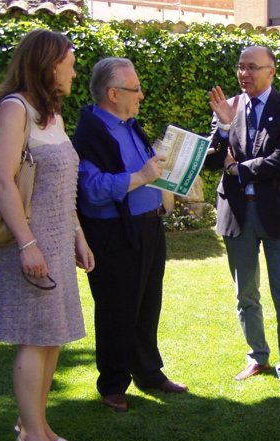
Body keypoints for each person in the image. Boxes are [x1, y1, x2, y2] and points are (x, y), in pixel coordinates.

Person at [0, 29, 95, 441]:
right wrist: (28, 243)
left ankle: (38, 423)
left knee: (51, 337)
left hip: (54, 240)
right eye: (70, 62)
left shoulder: (51, 115)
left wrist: (78, 235)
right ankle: (31, 437)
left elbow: (62, 187)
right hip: (28, 242)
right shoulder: (15, 110)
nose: (73, 71)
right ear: (51, 65)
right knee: (35, 338)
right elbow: (2, 180)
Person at [72, 57, 187, 413]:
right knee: (117, 309)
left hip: (149, 226)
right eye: (134, 89)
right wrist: (141, 176)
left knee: (147, 303)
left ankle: (149, 373)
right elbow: (91, 189)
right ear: (112, 93)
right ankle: (112, 384)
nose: (141, 95)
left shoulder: (129, 124)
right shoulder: (90, 133)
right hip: (114, 234)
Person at [204, 45, 280, 400]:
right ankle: (257, 356)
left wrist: (240, 168)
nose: (244, 73)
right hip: (237, 213)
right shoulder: (229, 107)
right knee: (245, 292)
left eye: (252, 67)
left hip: (276, 213)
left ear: (271, 71)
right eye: (240, 67)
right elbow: (211, 161)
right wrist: (222, 127)